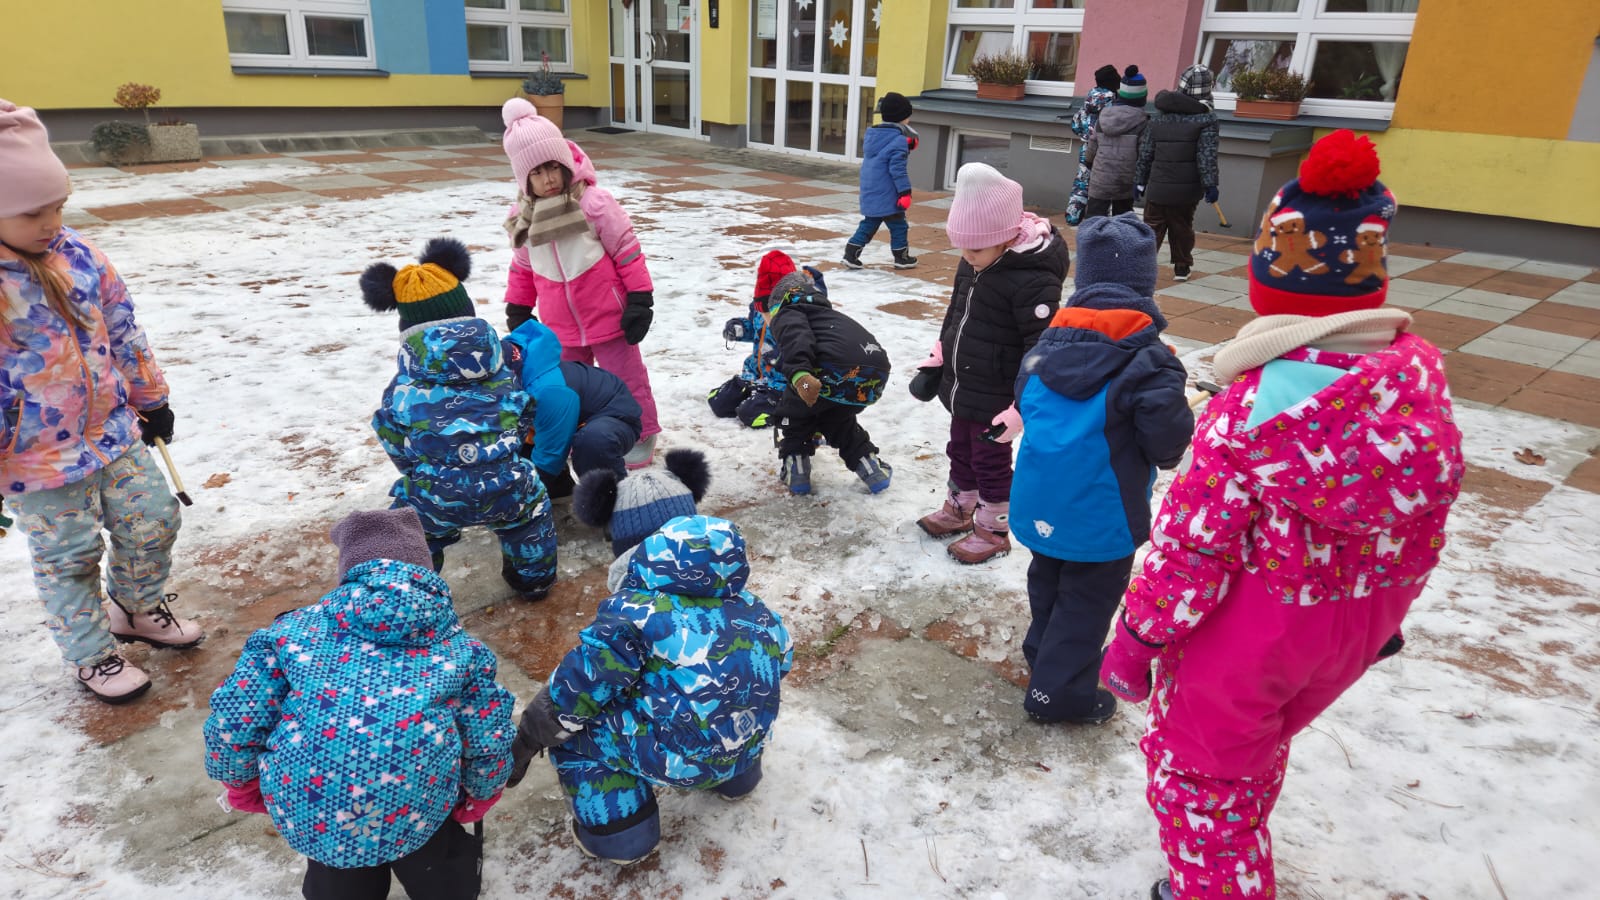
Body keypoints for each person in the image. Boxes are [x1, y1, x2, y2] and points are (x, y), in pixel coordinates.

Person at [1099, 131, 1466, 900]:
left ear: (1270, 287)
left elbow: (1192, 552)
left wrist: (1135, 641)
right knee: (1254, 750)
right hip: (1356, 627)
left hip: (1253, 637)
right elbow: (1419, 517)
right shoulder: (1415, 387)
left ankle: (1216, 887)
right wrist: (1380, 617)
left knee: (1200, 781)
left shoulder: (1250, 415)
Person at [0, 98, 203, 704]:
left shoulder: (78, 255)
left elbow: (122, 329)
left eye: (58, 205)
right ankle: (91, 656)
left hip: (111, 430)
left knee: (154, 519)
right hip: (34, 459)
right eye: (32, 212)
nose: (50, 222)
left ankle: (136, 609)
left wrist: (150, 398)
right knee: (69, 557)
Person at [204, 507, 516, 900]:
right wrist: (483, 790)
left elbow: (237, 716)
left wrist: (239, 778)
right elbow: (487, 733)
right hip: (420, 797)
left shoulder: (288, 634)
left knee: (338, 879)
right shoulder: (461, 649)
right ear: (425, 571)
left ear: (349, 572)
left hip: (314, 804)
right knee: (440, 869)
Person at [510, 451, 793, 865]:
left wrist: (530, 732)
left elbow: (577, 689)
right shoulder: (752, 605)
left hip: (681, 757)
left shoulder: (633, 614)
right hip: (744, 740)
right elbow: (781, 660)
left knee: (573, 734)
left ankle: (623, 835)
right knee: (732, 687)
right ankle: (738, 780)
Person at [1010, 213, 1193, 726]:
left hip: (1040, 499)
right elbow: (1166, 445)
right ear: (1144, 288)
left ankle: (1043, 659)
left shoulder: (1045, 347)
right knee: (1087, 603)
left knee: (1048, 582)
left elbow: (1026, 400)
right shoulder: (1150, 362)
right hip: (1101, 513)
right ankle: (1059, 696)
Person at [361, 237, 557, 599]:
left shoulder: (403, 388)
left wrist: (421, 469)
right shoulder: (502, 368)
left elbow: (390, 434)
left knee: (408, 527)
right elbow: (523, 411)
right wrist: (499, 453)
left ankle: (410, 592)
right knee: (530, 511)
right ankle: (534, 578)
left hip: (436, 494)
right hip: (506, 485)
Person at [909, 162, 1069, 564]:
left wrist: (1021, 408)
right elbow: (956, 315)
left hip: (998, 396)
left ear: (1005, 238)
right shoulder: (975, 261)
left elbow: (1042, 350)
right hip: (965, 385)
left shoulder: (1032, 280)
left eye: (975, 249)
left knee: (990, 462)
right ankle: (960, 508)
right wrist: (938, 359)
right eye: (962, 248)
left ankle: (993, 530)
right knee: (959, 450)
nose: (967, 256)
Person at [501, 98, 660, 468]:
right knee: (567, 386)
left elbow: (627, 251)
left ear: (565, 164)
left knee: (626, 378)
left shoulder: (593, 204)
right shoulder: (524, 219)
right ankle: (582, 432)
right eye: (537, 173)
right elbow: (523, 268)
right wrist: (518, 307)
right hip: (560, 327)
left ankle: (640, 431)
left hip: (609, 317)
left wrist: (640, 298)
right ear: (524, 179)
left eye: (553, 167)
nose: (548, 179)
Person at [762, 271, 893, 495]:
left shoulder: (789, 310)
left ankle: (797, 471)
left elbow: (796, 339)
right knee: (838, 420)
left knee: (793, 415)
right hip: (874, 374)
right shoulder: (828, 315)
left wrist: (800, 376)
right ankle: (871, 468)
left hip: (831, 370)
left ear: (780, 302)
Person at [502, 315, 642, 497]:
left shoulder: (546, 390)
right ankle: (558, 495)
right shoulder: (502, 374)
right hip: (563, 418)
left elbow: (550, 455)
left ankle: (612, 501)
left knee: (592, 442)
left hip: (613, 415)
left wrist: (522, 497)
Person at [707, 248, 824, 430]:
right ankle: (753, 392)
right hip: (754, 372)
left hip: (781, 381)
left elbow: (808, 345)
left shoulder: (800, 313)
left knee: (749, 415)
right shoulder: (759, 306)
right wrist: (739, 329)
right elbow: (755, 328)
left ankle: (784, 408)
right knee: (719, 403)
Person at [1135, 65, 1219, 282]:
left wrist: (1139, 181)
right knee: (1182, 226)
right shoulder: (1206, 119)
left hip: (1158, 185)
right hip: (1186, 189)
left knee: (1152, 227)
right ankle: (1182, 267)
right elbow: (1206, 156)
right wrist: (1210, 184)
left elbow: (1146, 153)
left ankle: (1141, 269)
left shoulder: (1158, 117)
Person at [843, 92, 919, 270]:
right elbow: (897, 170)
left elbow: (881, 159)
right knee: (899, 226)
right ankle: (901, 258)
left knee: (869, 224)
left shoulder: (873, 136)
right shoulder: (899, 140)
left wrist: (906, 146)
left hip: (871, 190)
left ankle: (850, 254)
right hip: (889, 195)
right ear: (902, 118)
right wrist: (905, 192)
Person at [1084, 66, 1150, 220]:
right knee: (1123, 220)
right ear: (1142, 99)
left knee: (1094, 218)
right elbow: (1143, 153)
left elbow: (1093, 144)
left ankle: (1092, 236)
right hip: (1125, 181)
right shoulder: (1142, 122)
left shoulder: (1104, 116)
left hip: (1100, 177)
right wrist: (1142, 179)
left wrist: (1088, 161)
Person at [1064, 64, 1122, 226]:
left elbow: (1076, 125)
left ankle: (1073, 215)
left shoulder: (1089, 98)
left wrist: (1086, 134)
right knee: (1104, 186)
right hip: (1106, 151)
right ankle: (1100, 221)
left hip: (1086, 148)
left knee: (1082, 181)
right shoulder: (1114, 101)